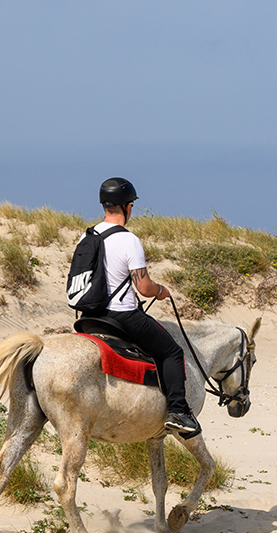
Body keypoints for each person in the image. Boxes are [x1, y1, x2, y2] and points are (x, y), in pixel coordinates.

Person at [66, 177, 201, 438]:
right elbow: (144, 287)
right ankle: (178, 412)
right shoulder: (129, 240)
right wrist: (161, 291)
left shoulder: (88, 235)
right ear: (127, 206)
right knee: (172, 352)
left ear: (105, 205)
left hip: (90, 315)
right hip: (122, 315)